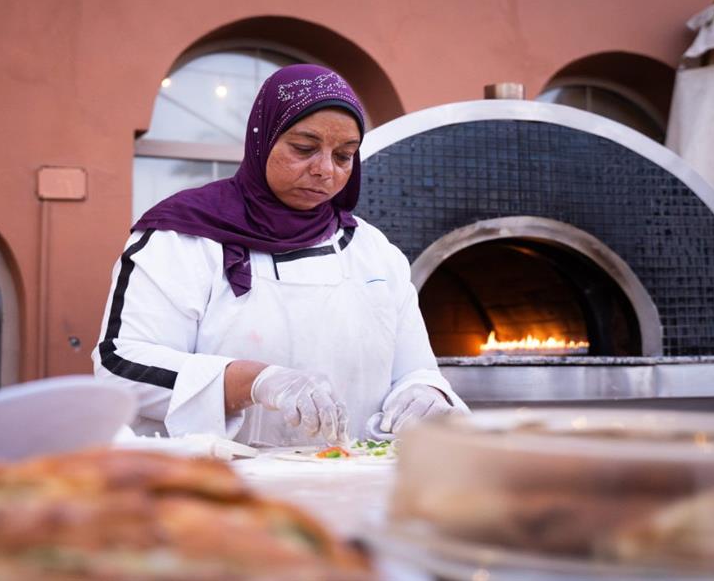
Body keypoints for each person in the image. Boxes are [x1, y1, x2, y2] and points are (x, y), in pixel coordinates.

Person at [93, 64, 468, 446]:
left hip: (350, 475)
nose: (325, 170)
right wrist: (254, 382)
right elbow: (120, 365)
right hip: (219, 476)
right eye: (304, 149)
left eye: (344, 156)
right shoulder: (182, 237)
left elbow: (415, 370)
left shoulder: (373, 252)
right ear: (263, 140)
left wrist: (424, 393)